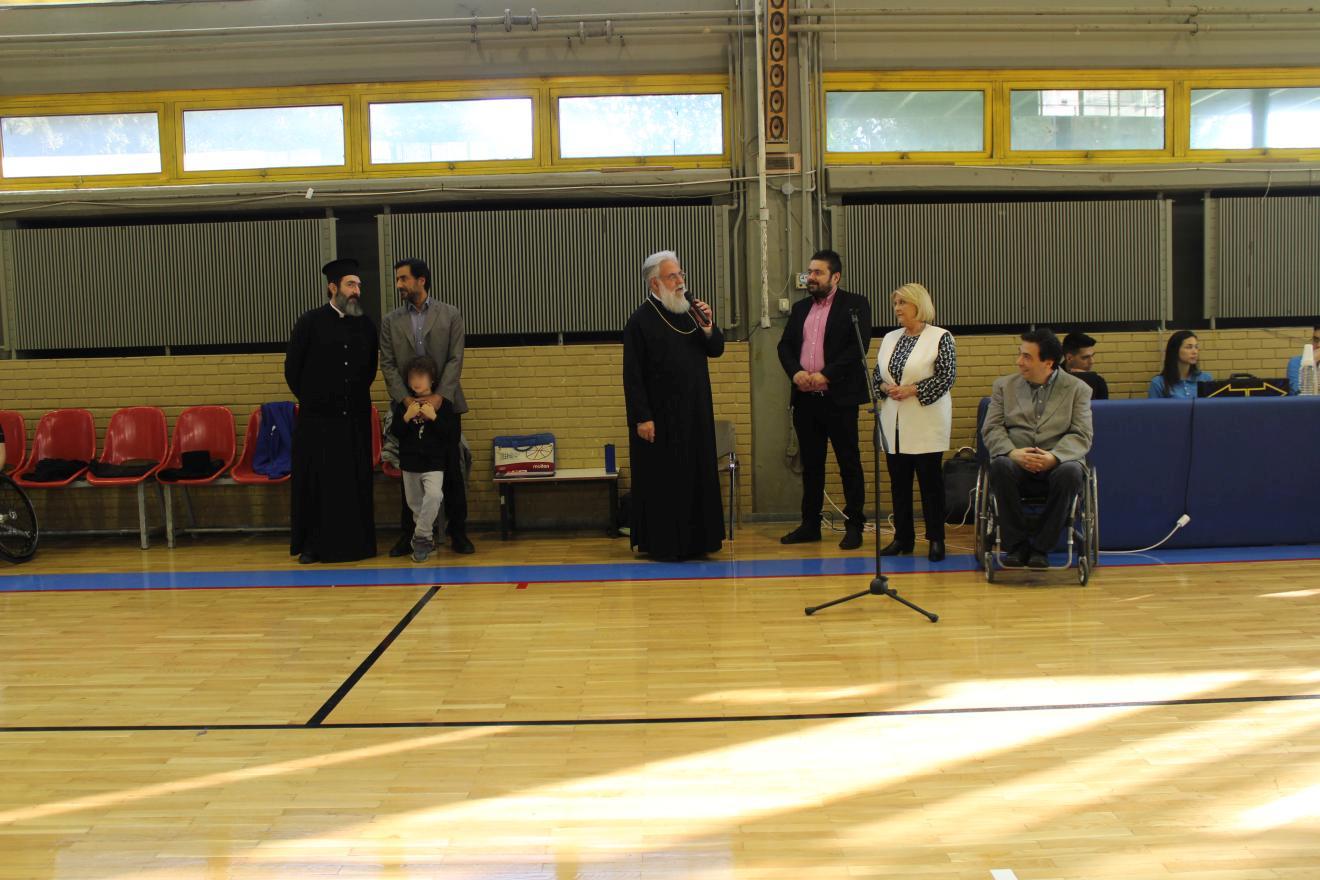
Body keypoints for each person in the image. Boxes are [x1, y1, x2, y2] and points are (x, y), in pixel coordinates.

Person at [622, 250, 725, 560]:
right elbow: (632, 376)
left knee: (696, 476)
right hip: (660, 419)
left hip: (696, 414)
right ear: (655, 283)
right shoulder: (640, 321)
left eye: (681, 274)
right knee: (665, 483)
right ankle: (666, 545)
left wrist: (708, 326)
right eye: (672, 276)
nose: (680, 281)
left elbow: (716, 349)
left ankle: (699, 542)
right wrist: (642, 417)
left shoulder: (690, 313)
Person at [284, 257, 379, 564]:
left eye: (359, 285)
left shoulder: (365, 325)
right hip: (318, 422)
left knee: (352, 482)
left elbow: (369, 369)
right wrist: (317, 400)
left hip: (354, 420)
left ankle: (357, 544)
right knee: (318, 484)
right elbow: (293, 370)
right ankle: (314, 545)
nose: (357, 291)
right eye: (351, 284)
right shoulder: (309, 322)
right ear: (333, 288)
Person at [776, 249, 873, 550]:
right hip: (806, 400)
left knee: (848, 462)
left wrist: (826, 375)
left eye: (818, 272)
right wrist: (796, 373)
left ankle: (854, 525)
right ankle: (810, 524)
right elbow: (784, 346)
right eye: (810, 272)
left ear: (835, 276)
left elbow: (858, 347)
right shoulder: (801, 308)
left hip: (839, 399)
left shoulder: (855, 305)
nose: (811, 277)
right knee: (812, 465)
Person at [379, 257, 474, 556]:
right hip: (406, 405)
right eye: (397, 279)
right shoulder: (390, 321)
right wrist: (405, 399)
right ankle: (409, 534)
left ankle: (458, 532)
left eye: (403, 279)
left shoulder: (450, 314)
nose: (398, 284)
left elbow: (456, 358)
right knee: (409, 469)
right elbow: (387, 364)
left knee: (452, 469)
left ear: (421, 280)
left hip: (445, 403)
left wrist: (439, 396)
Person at [982, 329, 1093, 570]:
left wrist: (1054, 457)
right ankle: (1017, 546)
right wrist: (1012, 453)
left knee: (1071, 472)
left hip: (1057, 464)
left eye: (1026, 357)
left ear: (1048, 363)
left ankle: (1041, 547)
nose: (1019, 361)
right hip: (1016, 461)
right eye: (1020, 354)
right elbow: (992, 428)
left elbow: (1082, 434)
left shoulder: (1078, 389)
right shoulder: (1004, 386)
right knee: (1000, 465)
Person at [874, 283, 956, 562]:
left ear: (918, 305)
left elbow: (946, 377)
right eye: (895, 303)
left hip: (925, 421)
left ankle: (936, 539)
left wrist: (913, 389)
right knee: (899, 484)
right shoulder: (889, 338)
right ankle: (903, 537)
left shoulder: (940, 337)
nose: (897, 308)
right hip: (894, 421)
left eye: (902, 303)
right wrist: (885, 388)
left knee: (930, 484)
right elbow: (877, 376)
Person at [389, 356, 456, 563]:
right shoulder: (403, 406)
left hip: (434, 463)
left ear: (432, 379)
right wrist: (406, 417)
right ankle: (426, 540)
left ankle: (419, 538)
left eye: (421, 377)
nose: (416, 381)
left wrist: (434, 417)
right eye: (412, 378)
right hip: (410, 464)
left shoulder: (443, 405)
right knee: (416, 506)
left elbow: (449, 434)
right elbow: (395, 432)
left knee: (434, 495)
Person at [1148, 330, 1213, 399]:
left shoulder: (1205, 379)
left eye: (1196, 347)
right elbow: (1154, 406)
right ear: (1175, 350)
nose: (1195, 352)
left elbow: (1212, 404)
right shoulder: (1159, 383)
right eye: (1189, 347)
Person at [1061, 332, 1109, 400]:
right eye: (1085, 357)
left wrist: (1087, 378)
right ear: (1069, 358)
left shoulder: (1098, 382)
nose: (1092, 361)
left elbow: (1101, 406)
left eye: (1092, 356)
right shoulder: (1053, 378)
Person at [1285, 322, 1320, 395]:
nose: (1318, 345)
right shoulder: (1296, 362)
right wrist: (1311, 362)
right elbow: (1300, 394)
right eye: (1316, 340)